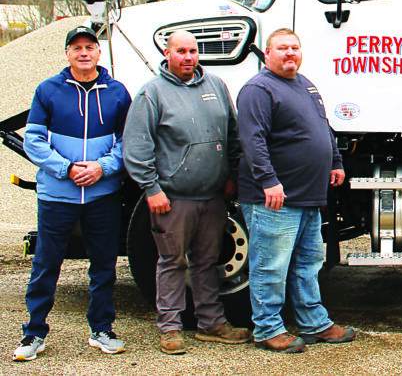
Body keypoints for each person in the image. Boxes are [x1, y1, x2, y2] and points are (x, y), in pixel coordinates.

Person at [122, 31, 251, 354]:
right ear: (167, 54)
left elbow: (232, 134)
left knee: (207, 262)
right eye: (181, 51)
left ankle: (211, 323)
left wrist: (232, 174)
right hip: (173, 199)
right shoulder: (152, 93)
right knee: (172, 262)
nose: (189, 57)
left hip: (213, 197)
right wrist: (151, 188)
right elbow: (137, 147)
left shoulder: (216, 86)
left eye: (193, 51)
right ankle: (170, 327)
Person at [13, 26, 132, 361]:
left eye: (90, 47)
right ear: (67, 53)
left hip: (101, 195)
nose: (83, 52)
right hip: (57, 197)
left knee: (104, 265)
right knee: (46, 264)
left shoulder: (117, 92)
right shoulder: (48, 90)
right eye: (76, 47)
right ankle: (34, 333)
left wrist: (102, 168)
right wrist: (65, 168)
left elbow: (127, 142)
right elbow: (33, 140)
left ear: (98, 52)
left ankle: (101, 329)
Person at [236, 28, 355, 353]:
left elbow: (323, 126)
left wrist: (335, 160)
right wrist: (268, 181)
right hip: (274, 198)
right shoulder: (258, 89)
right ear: (267, 53)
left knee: (308, 263)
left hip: (308, 196)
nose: (290, 53)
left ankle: (314, 323)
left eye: (295, 48)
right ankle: (267, 328)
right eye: (282, 48)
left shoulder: (305, 84)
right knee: (270, 266)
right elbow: (252, 139)